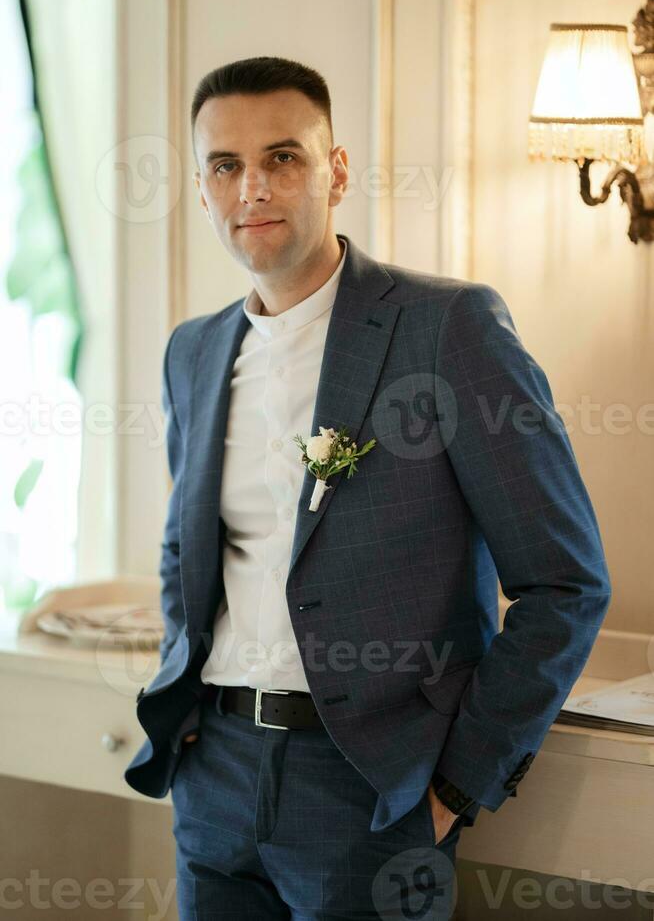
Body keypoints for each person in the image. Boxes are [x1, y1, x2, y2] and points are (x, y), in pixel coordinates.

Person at [124, 56, 611, 920]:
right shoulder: (191, 351)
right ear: (201, 190)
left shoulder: (446, 328)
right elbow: (184, 548)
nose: (254, 190)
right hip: (216, 776)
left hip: (370, 792)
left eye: (284, 158)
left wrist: (457, 786)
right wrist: (189, 703)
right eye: (225, 166)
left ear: (336, 170)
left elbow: (564, 582)